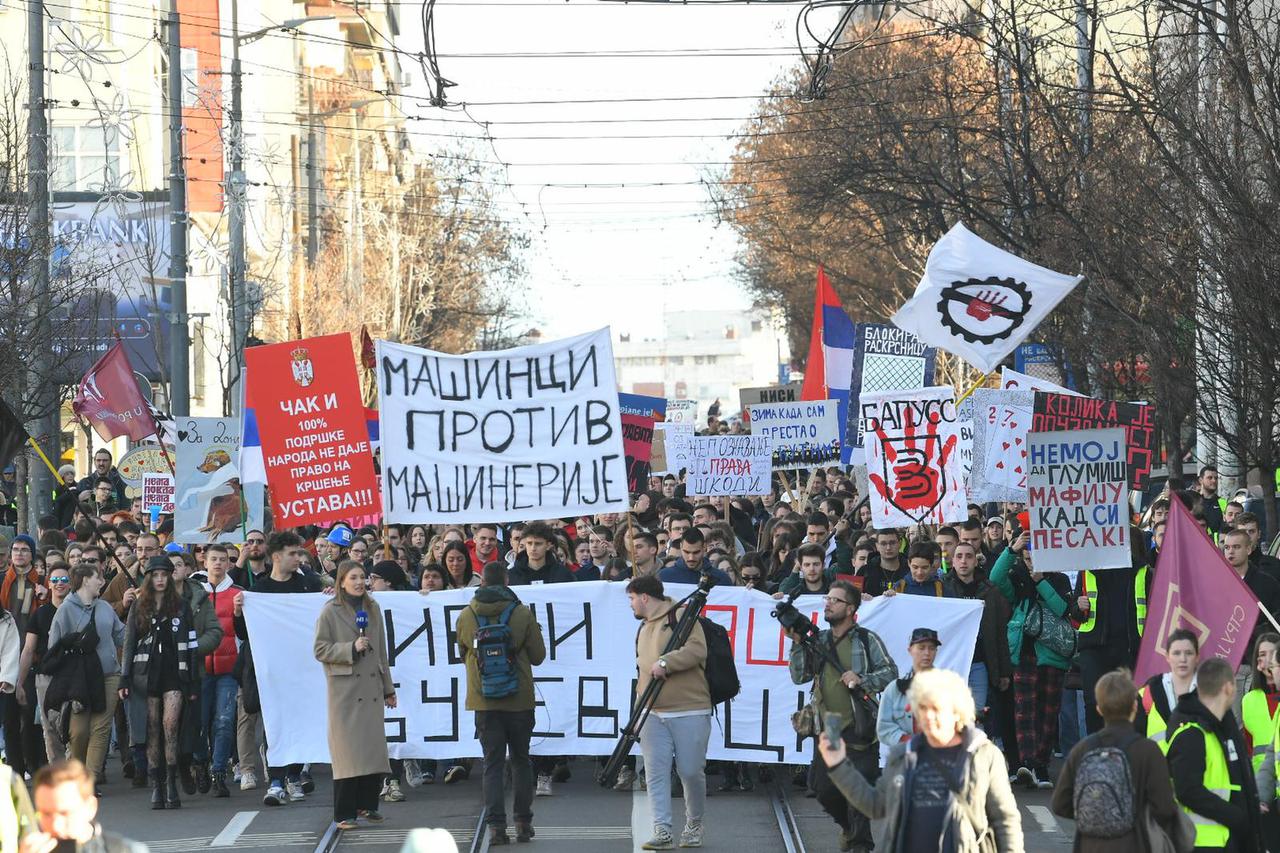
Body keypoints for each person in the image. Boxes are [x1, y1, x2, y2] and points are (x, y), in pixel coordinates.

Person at [815, 667, 1023, 853]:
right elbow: (876, 805)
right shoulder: (903, 755)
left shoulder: (984, 755)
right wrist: (839, 766)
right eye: (921, 708)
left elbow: (1004, 820)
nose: (927, 716)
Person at [789, 579, 897, 852]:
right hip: (828, 730)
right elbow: (799, 676)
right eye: (827, 599)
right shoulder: (820, 641)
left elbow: (890, 673)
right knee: (823, 790)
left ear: (850, 609)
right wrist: (798, 644)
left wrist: (862, 680)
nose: (828, 604)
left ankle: (861, 843)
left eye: (834, 600)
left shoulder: (866, 639)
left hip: (860, 728)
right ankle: (848, 829)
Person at [455, 561, 546, 846]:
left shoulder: (467, 615)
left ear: (482, 582)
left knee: (492, 764)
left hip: (484, 702)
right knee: (521, 760)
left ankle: (496, 828)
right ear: (506, 581)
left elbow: (462, 653)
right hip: (519, 700)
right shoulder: (521, 613)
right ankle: (522, 823)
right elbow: (538, 656)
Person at [1051, 669, 1180, 852]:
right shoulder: (1148, 751)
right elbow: (1165, 808)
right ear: (1135, 706)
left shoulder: (1083, 749)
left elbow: (1059, 804)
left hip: (1089, 845)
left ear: (1099, 708)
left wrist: (1095, 812)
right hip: (1134, 843)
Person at [627, 573, 710, 850]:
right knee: (655, 772)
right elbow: (642, 673)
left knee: (689, 771)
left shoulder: (683, 616)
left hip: (690, 708)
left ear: (644, 597)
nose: (631, 605)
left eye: (631, 598)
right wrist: (638, 711)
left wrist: (667, 661)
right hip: (652, 712)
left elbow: (698, 650)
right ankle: (662, 829)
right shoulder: (643, 627)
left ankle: (694, 823)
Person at [313, 560, 396, 830]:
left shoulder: (373, 608)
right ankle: (344, 813)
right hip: (345, 692)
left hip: (371, 689)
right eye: (353, 577)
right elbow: (320, 649)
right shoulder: (330, 611)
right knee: (348, 754)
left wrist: (388, 688)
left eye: (362, 577)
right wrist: (350, 647)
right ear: (342, 581)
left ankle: (368, 805)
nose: (360, 582)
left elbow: (382, 651)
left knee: (371, 750)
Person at [990, 532, 1073, 789]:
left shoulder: (1059, 578)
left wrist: (1040, 582)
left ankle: (1042, 765)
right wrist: (1011, 551)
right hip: (1024, 652)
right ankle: (1027, 763)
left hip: (1052, 654)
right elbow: (995, 579)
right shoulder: (1018, 575)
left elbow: (1062, 609)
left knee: (1048, 711)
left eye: (1034, 558)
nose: (1030, 563)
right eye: (1026, 558)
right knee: (1024, 708)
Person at [119, 556, 199, 810]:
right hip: (146, 673)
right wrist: (124, 676)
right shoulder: (139, 607)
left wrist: (194, 680)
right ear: (149, 578)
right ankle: (157, 785)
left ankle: (172, 782)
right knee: (152, 728)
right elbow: (129, 643)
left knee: (170, 725)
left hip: (176, 672)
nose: (161, 579)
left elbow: (193, 645)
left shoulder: (182, 606)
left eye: (165, 574)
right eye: (156, 575)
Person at [1167, 656, 1262, 851]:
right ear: (1228, 688)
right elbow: (1188, 790)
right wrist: (1236, 816)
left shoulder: (1221, 731)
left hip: (1225, 841)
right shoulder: (1192, 735)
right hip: (1202, 844)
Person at [45, 564, 125, 792]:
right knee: (78, 732)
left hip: (109, 674)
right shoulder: (65, 610)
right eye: (97, 578)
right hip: (78, 679)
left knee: (101, 728)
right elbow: (55, 647)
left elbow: (121, 636)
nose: (102, 582)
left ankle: (89, 782)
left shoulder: (105, 608)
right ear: (84, 580)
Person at [18, 759, 146, 853]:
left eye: (65, 813)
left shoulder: (125, 850)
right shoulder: (29, 849)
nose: (55, 825)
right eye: (46, 814)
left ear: (90, 807)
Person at [15, 563, 72, 766]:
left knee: (75, 727)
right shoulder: (40, 614)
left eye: (64, 579)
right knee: (49, 728)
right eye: (54, 580)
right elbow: (28, 650)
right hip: (45, 676)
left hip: (75, 675)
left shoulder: (79, 611)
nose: (59, 584)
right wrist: (19, 683)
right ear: (48, 583)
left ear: (71, 582)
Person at [200, 544, 242, 797]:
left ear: (228, 563)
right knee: (201, 722)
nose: (217, 563)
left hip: (228, 668)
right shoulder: (194, 593)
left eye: (222, 559)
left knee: (224, 721)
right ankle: (200, 764)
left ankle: (218, 771)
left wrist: (238, 614)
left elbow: (245, 633)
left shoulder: (238, 593)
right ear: (205, 562)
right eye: (213, 559)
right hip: (200, 668)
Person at [877, 628, 940, 745]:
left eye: (932, 648)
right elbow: (883, 728)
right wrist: (907, 740)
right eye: (921, 647)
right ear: (910, 650)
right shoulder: (895, 689)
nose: (927, 653)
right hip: (904, 757)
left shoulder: (948, 687)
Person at [1136, 629, 1200, 744]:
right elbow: (1137, 743)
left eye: (1189, 653)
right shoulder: (1147, 694)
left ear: (1197, 656)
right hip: (1158, 761)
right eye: (1176, 653)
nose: (1183, 659)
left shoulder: (1210, 692)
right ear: (1167, 656)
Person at [1241, 633, 1280, 775]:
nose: (1269, 659)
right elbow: (1249, 748)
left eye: (1273, 653)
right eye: (1263, 654)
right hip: (1264, 788)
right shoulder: (1248, 701)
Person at [657, 526, 732, 586]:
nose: (691, 558)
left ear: (704, 547)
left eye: (696, 552)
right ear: (681, 547)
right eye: (686, 552)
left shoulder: (721, 579)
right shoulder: (663, 577)